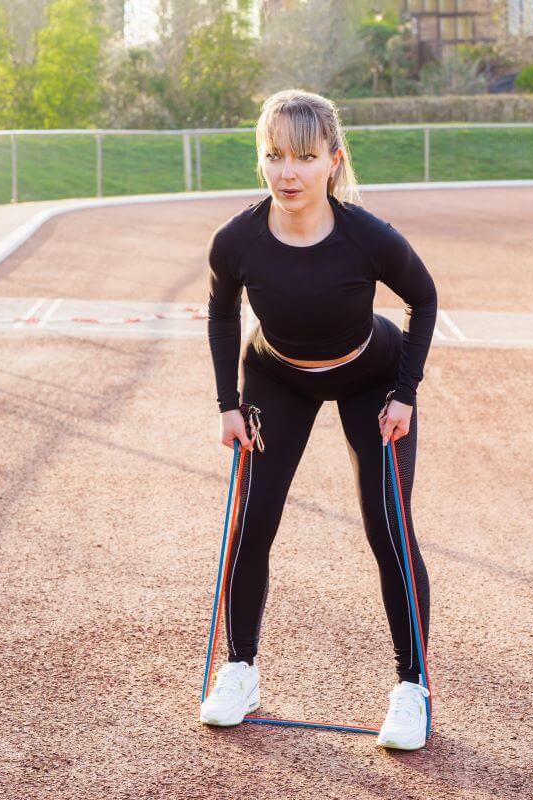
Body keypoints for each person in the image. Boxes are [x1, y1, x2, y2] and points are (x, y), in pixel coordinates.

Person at [199, 89, 439, 751]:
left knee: (386, 524)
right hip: (277, 376)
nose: (288, 173)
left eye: (304, 157)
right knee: (254, 524)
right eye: (274, 156)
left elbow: (423, 297)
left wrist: (405, 393)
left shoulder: (368, 236)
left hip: (370, 375)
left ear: (333, 160)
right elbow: (222, 314)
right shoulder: (237, 240)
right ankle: (240, 671)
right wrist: (227, 403)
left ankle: (411, 686)